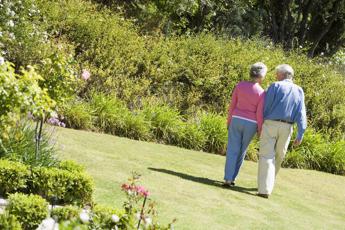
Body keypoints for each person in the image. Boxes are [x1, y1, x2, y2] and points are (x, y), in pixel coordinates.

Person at [257, 64, 307, 198]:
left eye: (276, 74)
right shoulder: (299, 90)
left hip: (271, 124)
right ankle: (267, 186)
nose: (275, 76)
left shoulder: (275, 86)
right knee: (279, 156)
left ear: (281, 75)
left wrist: (262, 123)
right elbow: (301, 113)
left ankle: (265, 188)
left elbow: (265, 106)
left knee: (267, 155)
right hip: (287, 127)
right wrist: (300, 133)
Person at [224, 62, 267, 187]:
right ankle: (232, 179)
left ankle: (227, 178)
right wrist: (260, 129)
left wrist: (229, 121)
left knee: (232, 149)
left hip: (236, 119)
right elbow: (259, 114)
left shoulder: (240, 85)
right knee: (242, 151)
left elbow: (232, 105)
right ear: (261, 76)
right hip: (251, 123)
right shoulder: (262, 92)